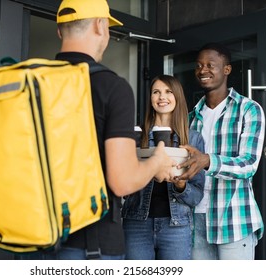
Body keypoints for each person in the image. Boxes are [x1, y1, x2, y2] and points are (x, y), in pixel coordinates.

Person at [18, 0, 175, 260]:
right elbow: (122, 181)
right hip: (91, 246)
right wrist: (157, 162)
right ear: (100, 26)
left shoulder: (30, 82)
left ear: (59, 31)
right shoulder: (111, 87)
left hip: (34, 239)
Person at [175, 42, 265, 260]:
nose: (202, 70)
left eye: (210, 65)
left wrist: (207, 161)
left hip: (234, 220)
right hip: (196, 220)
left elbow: (249, 164)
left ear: (227, 69)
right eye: (198, 65)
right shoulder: (189, 118)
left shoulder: (248, 109)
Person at [122, 75, 205, 260]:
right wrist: (146, 171)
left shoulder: (193, 139)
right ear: (150, 98)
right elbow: (124, 187)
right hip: (136, 225)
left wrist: (180, 186)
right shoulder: (136, 136)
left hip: (176, 227)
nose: (162, 97)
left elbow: (197, 195)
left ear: (177, 97)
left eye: (168, 92)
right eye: (156, 92)